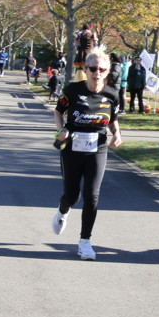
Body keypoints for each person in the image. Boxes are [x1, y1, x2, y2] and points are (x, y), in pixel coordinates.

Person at [51, 47, 122, 260]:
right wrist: (60, 130)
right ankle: (63, 210)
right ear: (86, 69)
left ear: (107, 71)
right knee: (72, 195)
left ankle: (85, 242)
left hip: (97, 147)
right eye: (93, 68)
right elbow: (58, 111)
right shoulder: (73, 90)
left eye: (102, 69)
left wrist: (117, 134)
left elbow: (113, 119)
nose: (97, 73)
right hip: (73, 147)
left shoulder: (112, 94)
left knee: (92, 195)